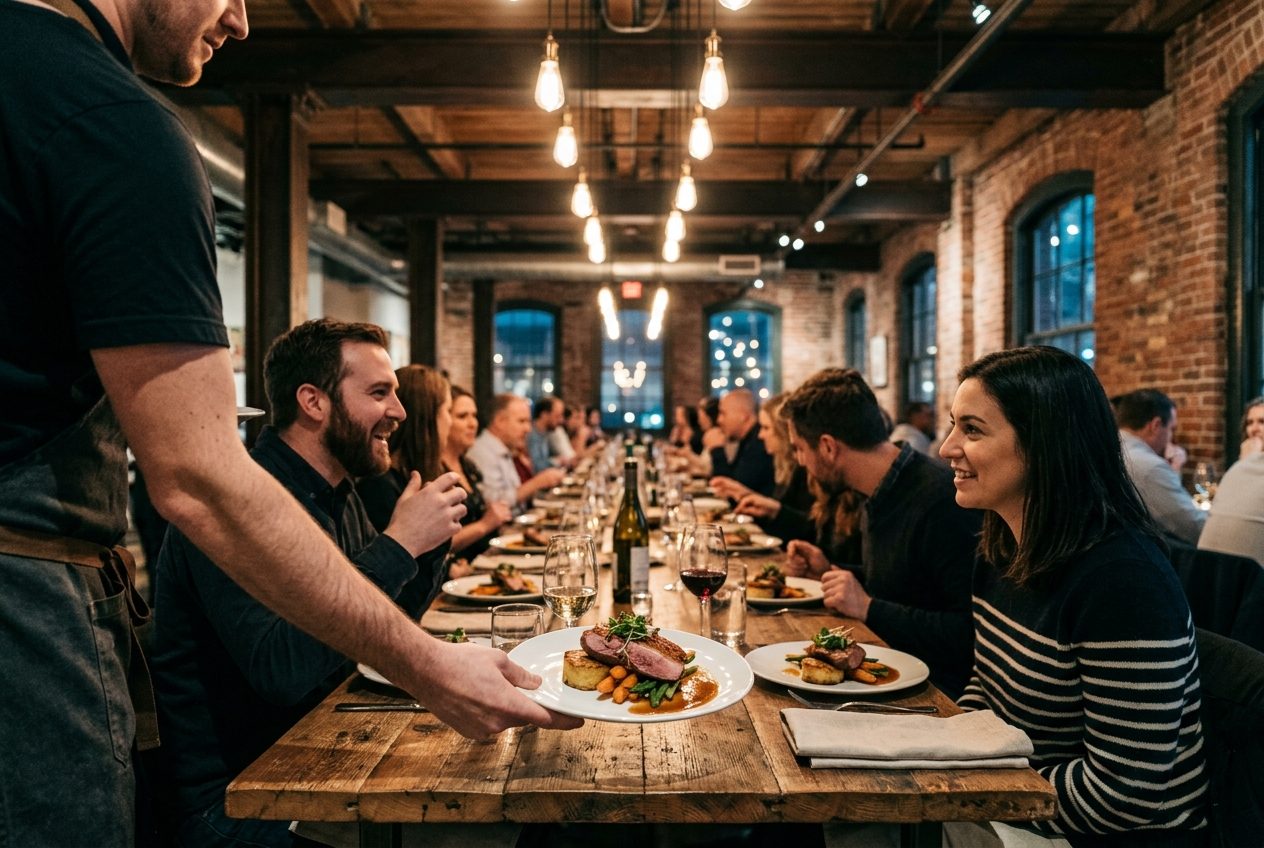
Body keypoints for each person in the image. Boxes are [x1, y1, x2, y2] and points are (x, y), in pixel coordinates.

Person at [0, 3, 575, 845]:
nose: (238, 21)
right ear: (312, 401)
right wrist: (430, 664)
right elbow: (201, 480)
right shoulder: (110, 118)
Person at [150, 320, 469, 846]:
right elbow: (283, 670)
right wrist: (399, 546)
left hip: (315, 765)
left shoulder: (337, 493)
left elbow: (377, 633)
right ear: (313, 402)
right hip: (241, 803)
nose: (399, 412)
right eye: (378, 392)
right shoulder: (241, 508)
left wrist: (428, 545)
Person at [940, 346, 1207, 842]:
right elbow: (988, 684)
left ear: (1045, 443)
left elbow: (1123, 794)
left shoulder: (1122, 581)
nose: (947, 447)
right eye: (953, 425)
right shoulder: (1000, 544)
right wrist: (958, 749)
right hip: (1024, 809)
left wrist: (972, 788)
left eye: (971, 429)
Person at [780, 369, 979, 698]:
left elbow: (968, 634)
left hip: (935, 697)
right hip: (891, 674)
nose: (800, 462)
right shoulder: (878, 490)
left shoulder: (942, 500)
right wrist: (829, 571)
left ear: (828, 447)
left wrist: (869, 608)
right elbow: (904, 586)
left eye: (799, 449)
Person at [357, 365, 476, 584]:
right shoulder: (380, 486)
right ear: (429, 419)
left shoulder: (412, 476)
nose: (450, 423)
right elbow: (392, 591)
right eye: (448, 412)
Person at [714, 394, 815, 544]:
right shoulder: (784, 467)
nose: (760, 435)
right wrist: (747, 495)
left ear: (784, 433)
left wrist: (775, 511)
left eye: (766, 428)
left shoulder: (804, 470)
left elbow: (813, 530)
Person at [1116, 388, 1207, 544]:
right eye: (1172, 429)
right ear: (1156, 425)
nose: (1171, 437)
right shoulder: (1150, 466)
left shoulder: (1110, 447)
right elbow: (1194, 527)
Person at [442, 386, 513, 560]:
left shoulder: (467, 465)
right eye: (462, 416)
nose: (473, 423)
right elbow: (435, 544)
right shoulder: (434, 470)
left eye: (474, 415)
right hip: (459, 573)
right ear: (442, 419)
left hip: (485, 560)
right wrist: (485, 524)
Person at [467, 394, 566, 509]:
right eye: (522, 421)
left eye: (528, 422)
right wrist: (537, 483)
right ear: (500, 421)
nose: (528, 429)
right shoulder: (483, 451)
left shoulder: (504, 448)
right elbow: (494, 503)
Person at [1198, 396, 1264, 565]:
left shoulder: (1238, 469)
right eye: (1249, 423)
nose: (1254, 429)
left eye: (1262, 422)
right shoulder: (1239, 469)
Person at [708, 389, 776, 498]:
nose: (719, 420)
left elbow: (732, 494)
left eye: (723, 413)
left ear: (743, 416)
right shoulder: (746, 439)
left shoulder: (759, 443)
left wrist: (717, 450)